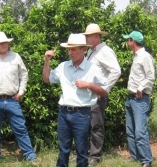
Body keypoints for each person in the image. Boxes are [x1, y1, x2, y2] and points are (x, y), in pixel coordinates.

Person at [43, 33, 108, 167]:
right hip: (64, 113)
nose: (70, 52)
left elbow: (105, 91)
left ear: (83, 49)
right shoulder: (63, 67)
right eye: (69, 49)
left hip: (82, 114)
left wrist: (88, 85)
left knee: (81, 150)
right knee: (63, 150)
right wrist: (47, 61)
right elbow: (47, 79)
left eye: (74, 49)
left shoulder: (92, 68)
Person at [0, 31, 37, 163]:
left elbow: (24, 74)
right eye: (0, 43)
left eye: (5, 42)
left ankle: (30, 156)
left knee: (20, 128)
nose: (4, 44)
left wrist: (21, 92)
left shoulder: (15, 57)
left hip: (12, 99)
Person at [83, 23, 121, 166]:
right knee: (86, 124)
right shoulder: (91, 51)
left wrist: (104, 89)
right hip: (88, 95)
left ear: (97, 37)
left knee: (96, 125)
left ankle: (95, 156)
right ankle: (85, 152)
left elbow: (116, 71)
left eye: (88, 36)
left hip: (97, 95)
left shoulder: (105, 51)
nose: (86, 38)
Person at [122, 30, 154, 167]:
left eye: (128, 39)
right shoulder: (136, 56)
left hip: (140, 98)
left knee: (140, 131)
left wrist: (141, 87)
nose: (127, 42)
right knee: (130, 129)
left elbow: (151, 76)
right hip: (131, 98)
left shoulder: (145, 56)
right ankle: (135, 156)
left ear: (133, 41)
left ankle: (146, 159)